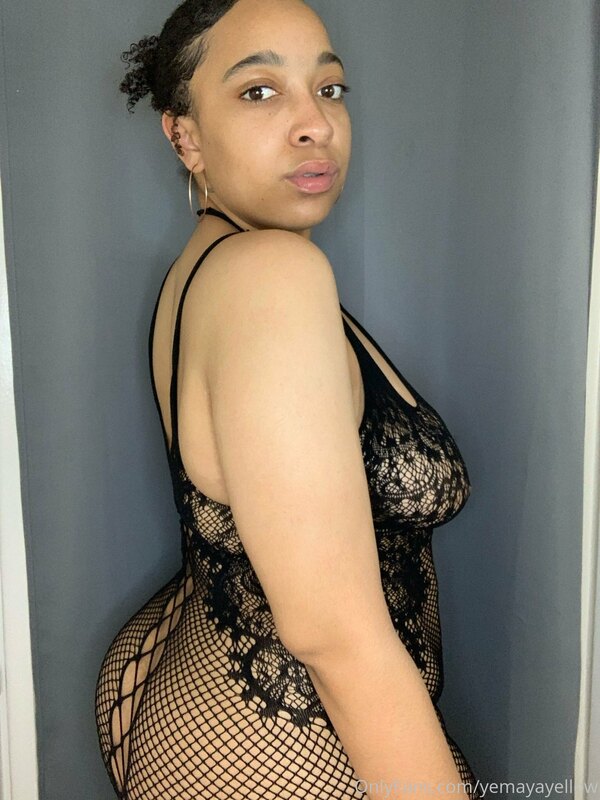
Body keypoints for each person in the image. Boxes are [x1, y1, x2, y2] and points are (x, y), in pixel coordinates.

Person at [94, 1, 483, 798]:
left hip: (193, 687)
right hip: (274, 744)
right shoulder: (272, 276)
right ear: (185, 136)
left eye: (329, 89)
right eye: (259, 92)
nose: (316, 125)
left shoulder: (213, 266)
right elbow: (333, 638)